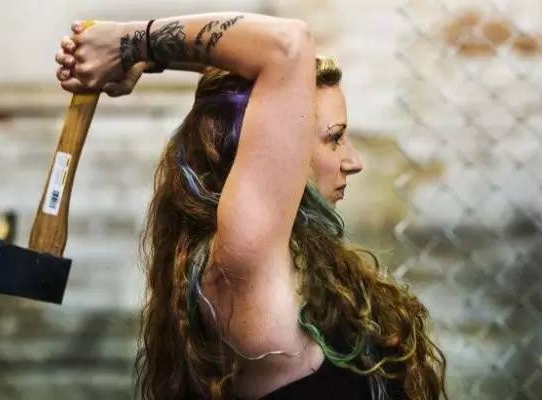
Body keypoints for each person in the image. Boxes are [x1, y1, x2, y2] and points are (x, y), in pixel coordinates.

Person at [54, 13, 448, 400]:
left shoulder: (277, 261)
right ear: (263, 144)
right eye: (334, 138)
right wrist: (129, 43)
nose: (353, 161)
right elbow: (286, 45)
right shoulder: (247, 263)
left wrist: (146, 58)